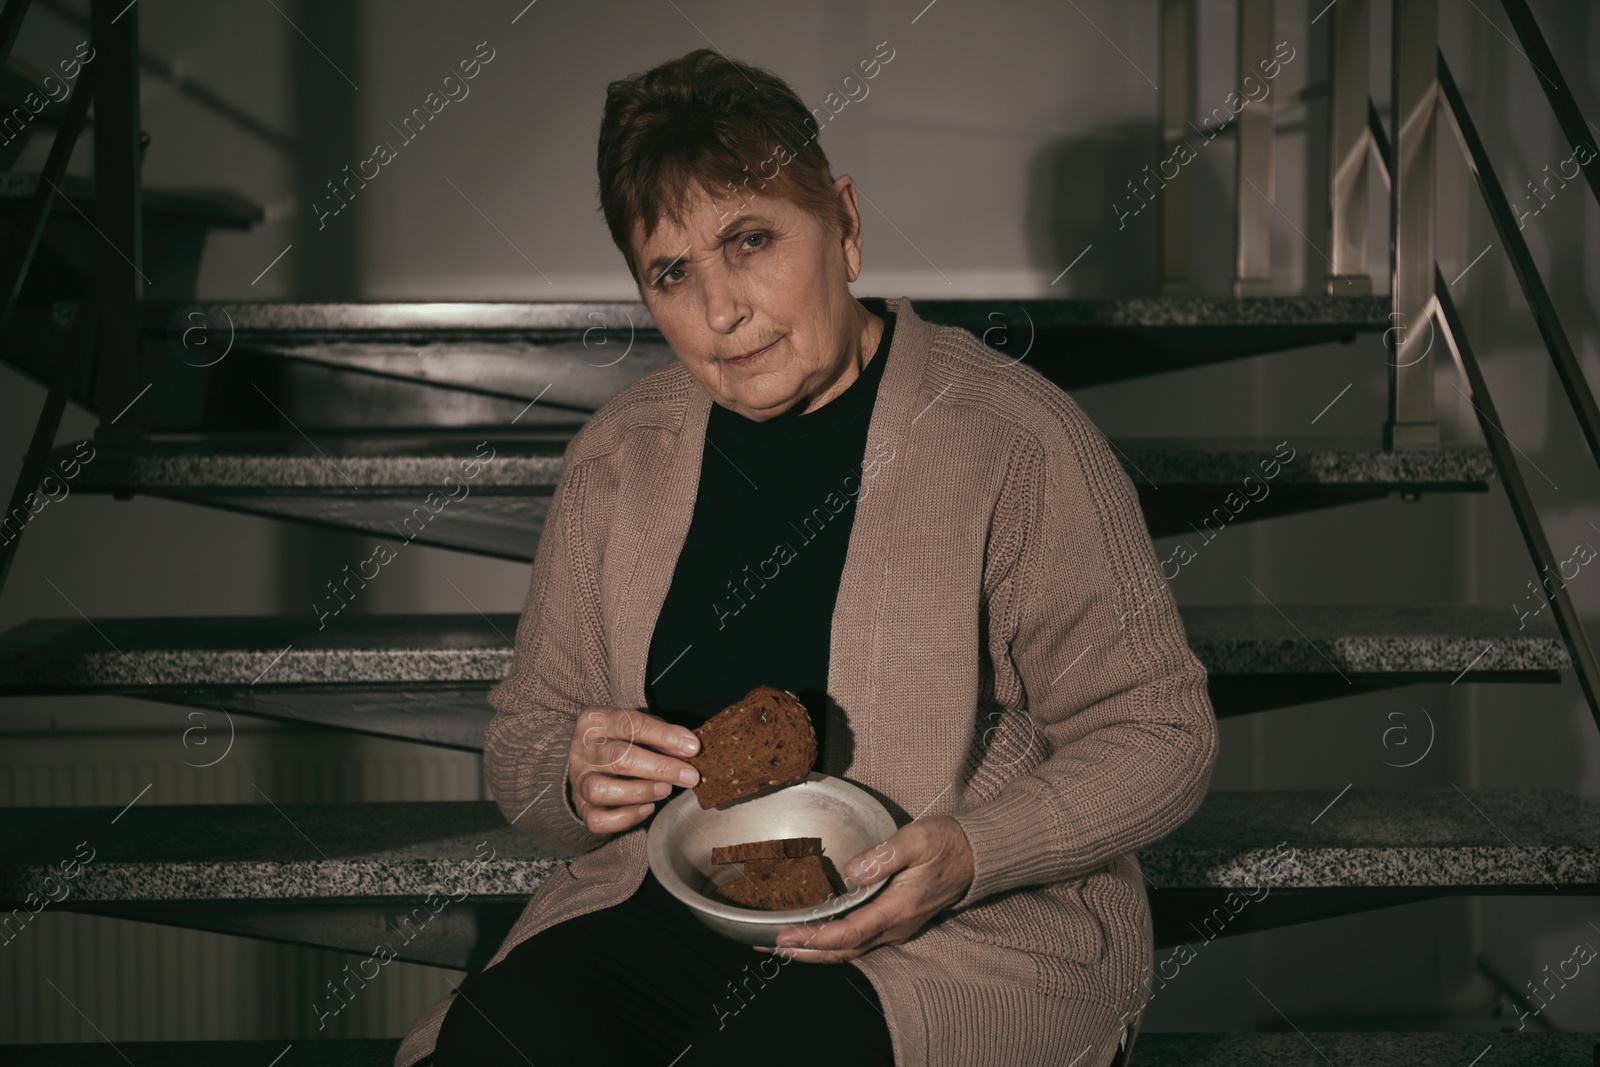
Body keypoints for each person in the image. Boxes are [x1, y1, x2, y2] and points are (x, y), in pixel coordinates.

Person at [399, 47, 1218, 1067]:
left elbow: (1161, 729)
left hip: (954, 926)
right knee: (495, 1043)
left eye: (751, 240)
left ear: (845, 223)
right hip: (674, 905)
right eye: (672, 272)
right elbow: (524, 737)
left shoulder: (1012, 439)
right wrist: (570, 781)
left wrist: (972, 853)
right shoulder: (618, 456)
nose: (719, 310)